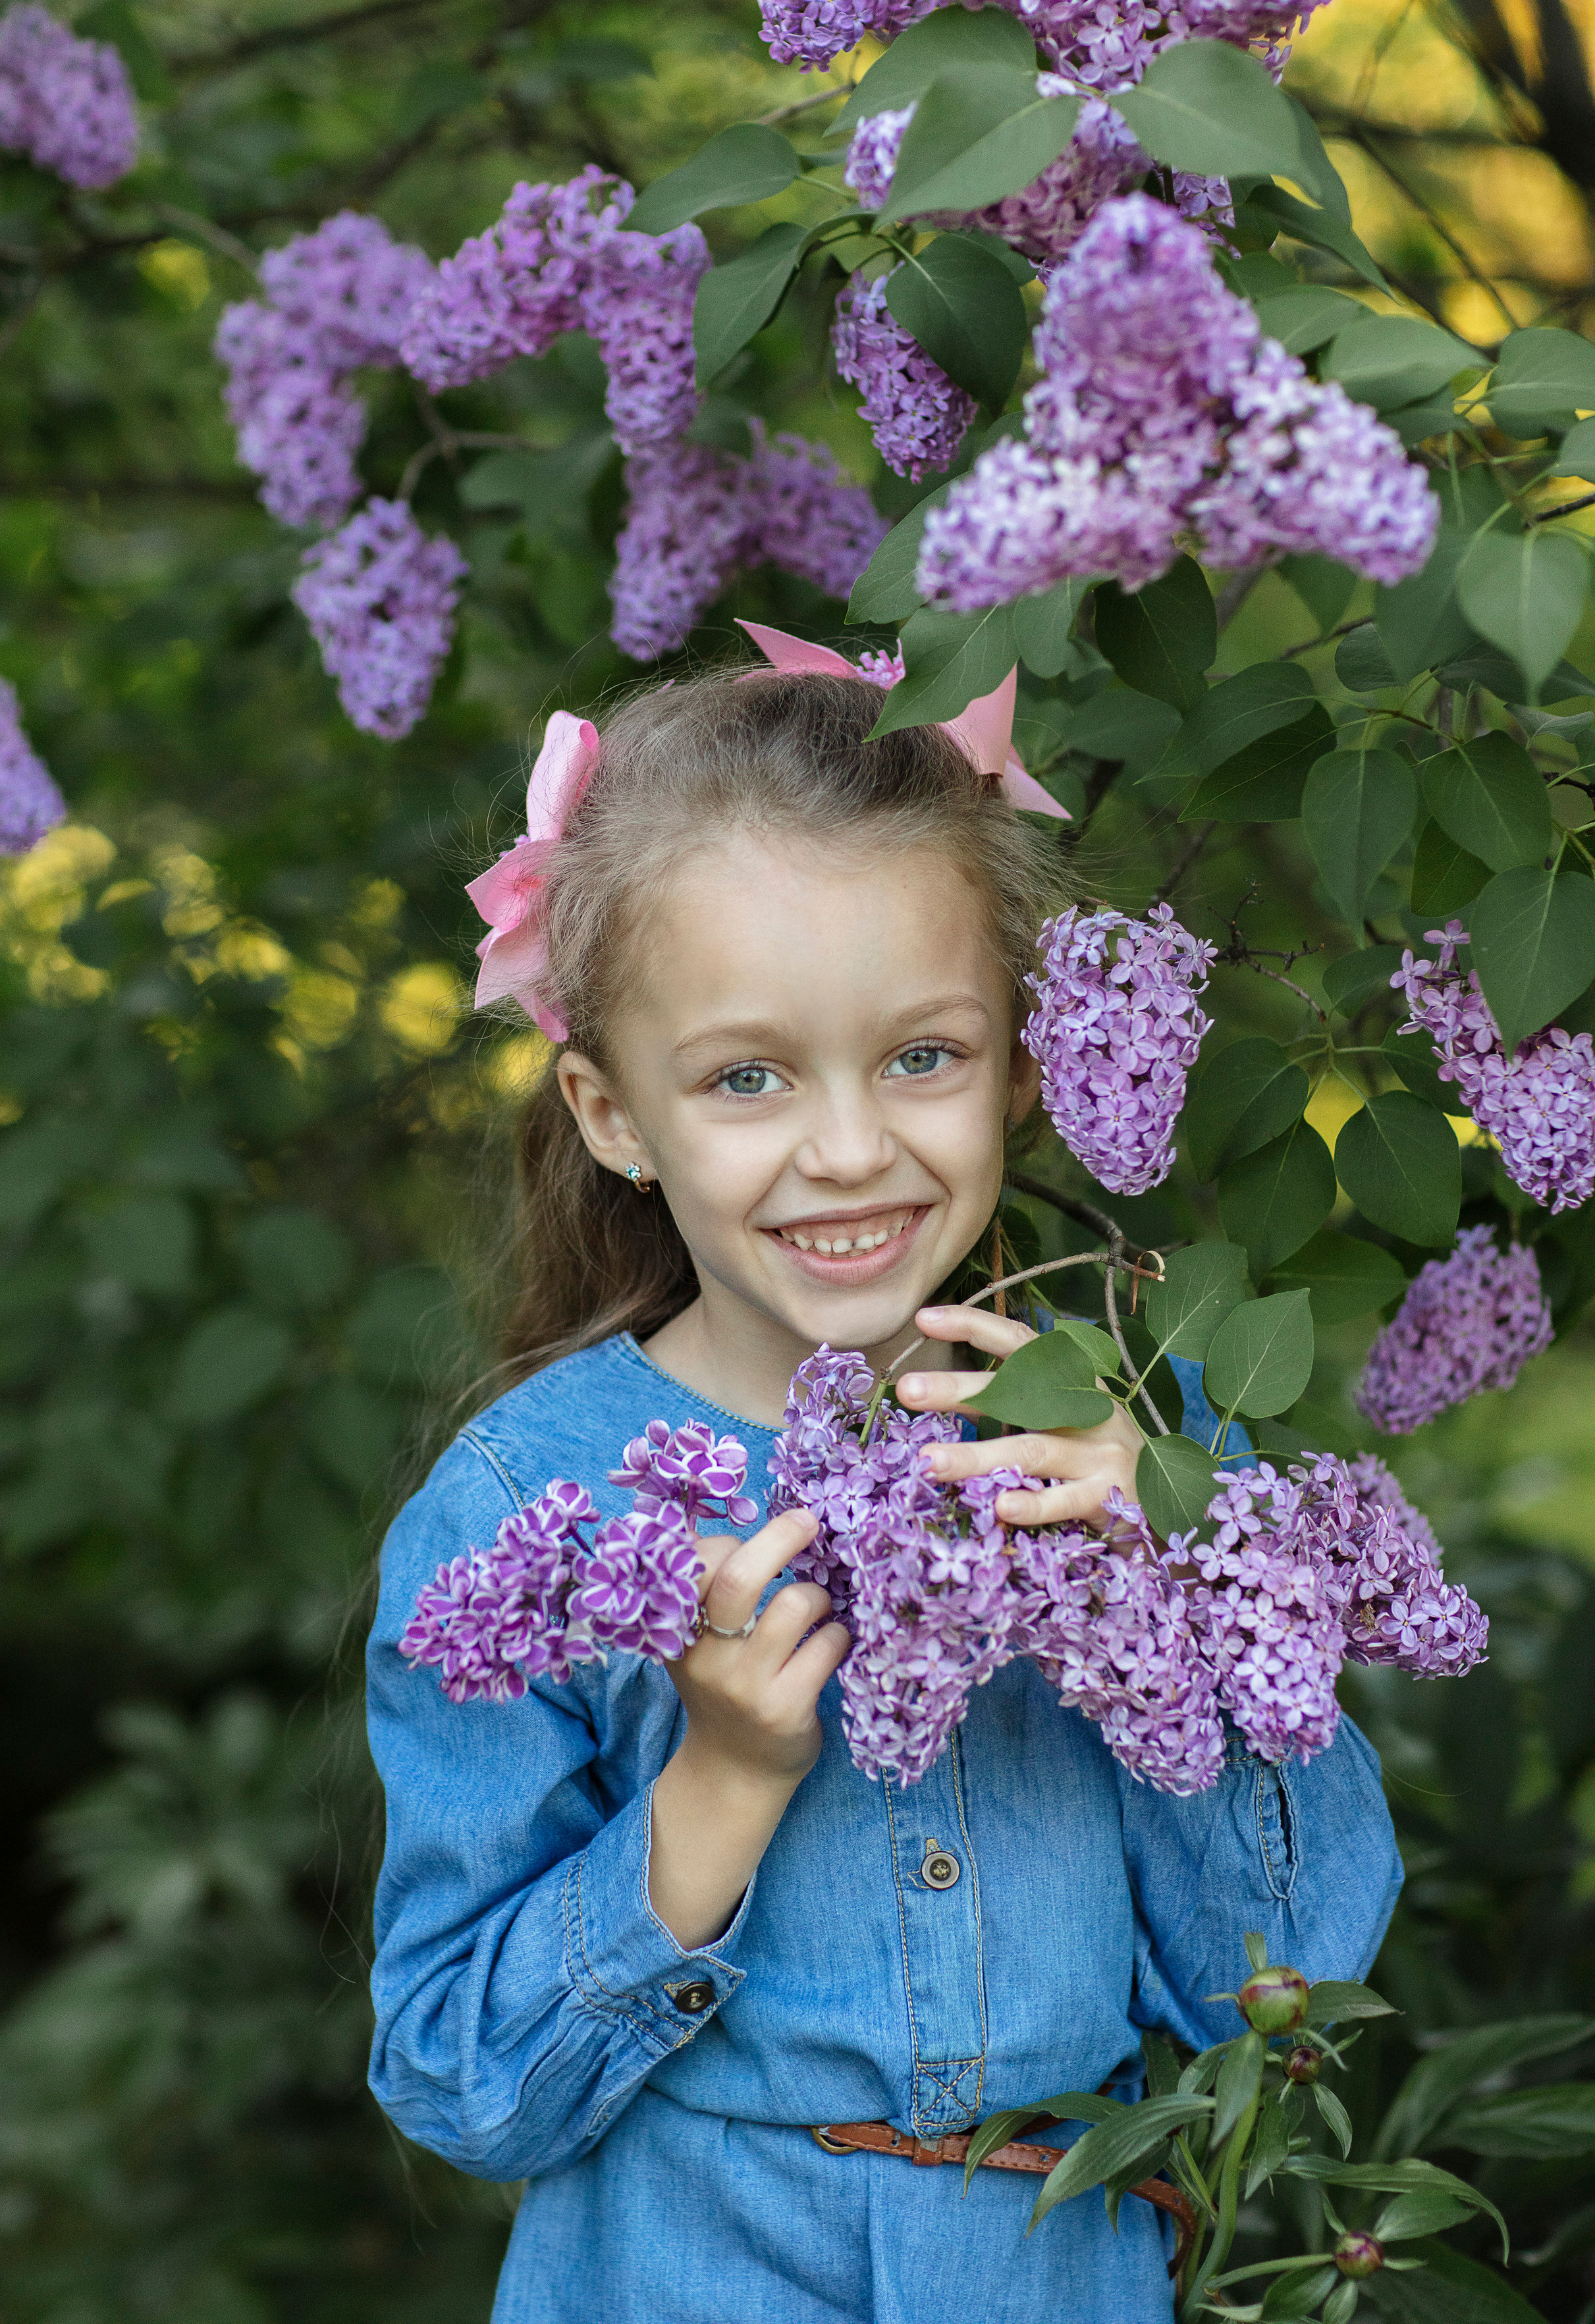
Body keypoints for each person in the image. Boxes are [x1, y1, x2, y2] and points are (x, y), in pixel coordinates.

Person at [365, 657, 1402, 2324]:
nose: (847, 1150)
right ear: (612, 1112)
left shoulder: (1137, 1435)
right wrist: (718, 1780)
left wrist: (1175, 1595)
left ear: (1022, 1065)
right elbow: (466, 2089)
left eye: (920, 1056)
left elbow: (1278, 2003)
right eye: (745, 1079)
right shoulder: (520, 1512)